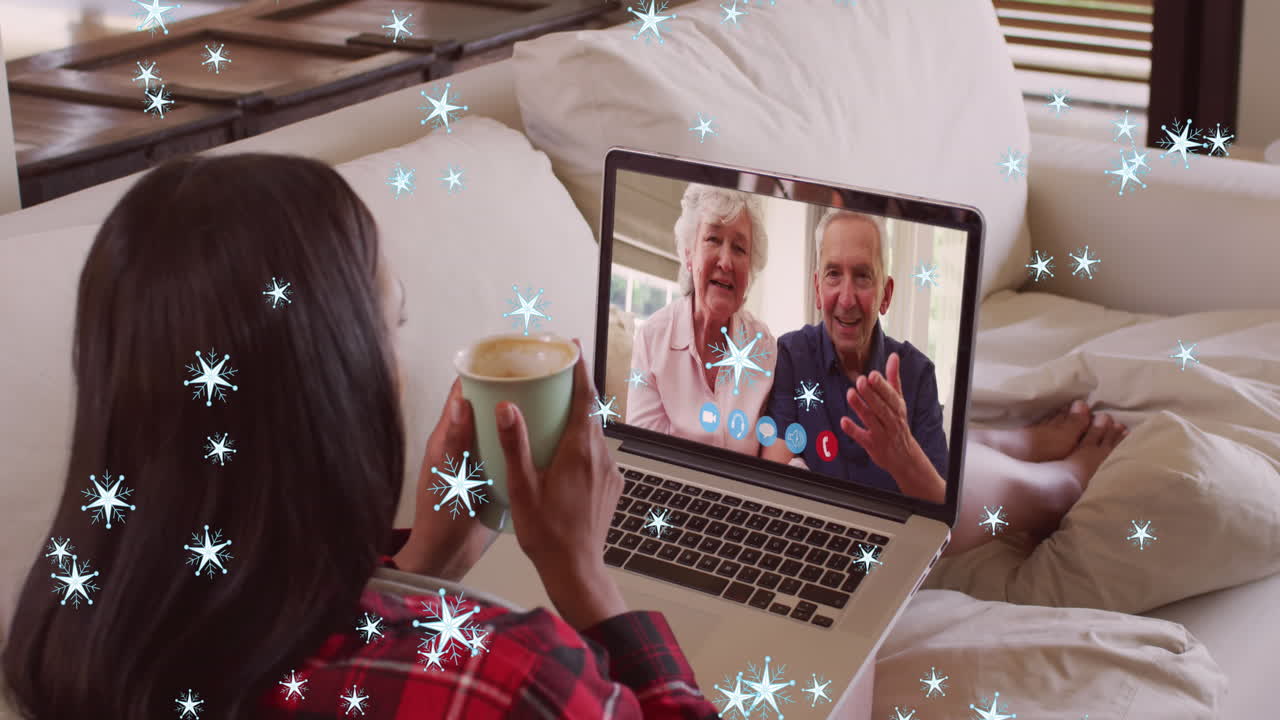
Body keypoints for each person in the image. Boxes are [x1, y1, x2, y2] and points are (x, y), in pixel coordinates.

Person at [0, 154, 765, 720]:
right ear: (338, 387)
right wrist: (585, 579)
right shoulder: (506, 678)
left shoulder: (63, 646)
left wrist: (422, 565)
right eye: (389, 325)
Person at [763, 208, 1129, 554]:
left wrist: (903, 455)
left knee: (955, 472)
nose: (846, 298)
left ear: (886, 294)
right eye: (833, 274)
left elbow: (942, 509)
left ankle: (1066, 480)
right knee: (956, 451)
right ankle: (1022, 446)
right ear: (816, 288)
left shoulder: (914, 369)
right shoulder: (793, 354)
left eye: (863, 276)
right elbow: (774, 473)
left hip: (909, 506)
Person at [627, 184, 776, 454]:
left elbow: (772, 454)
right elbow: (644, 456)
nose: (726, 262)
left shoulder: (763, 347)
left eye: (740, 249)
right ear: (689, 254)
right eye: (713, 240)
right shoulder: (652, 339)